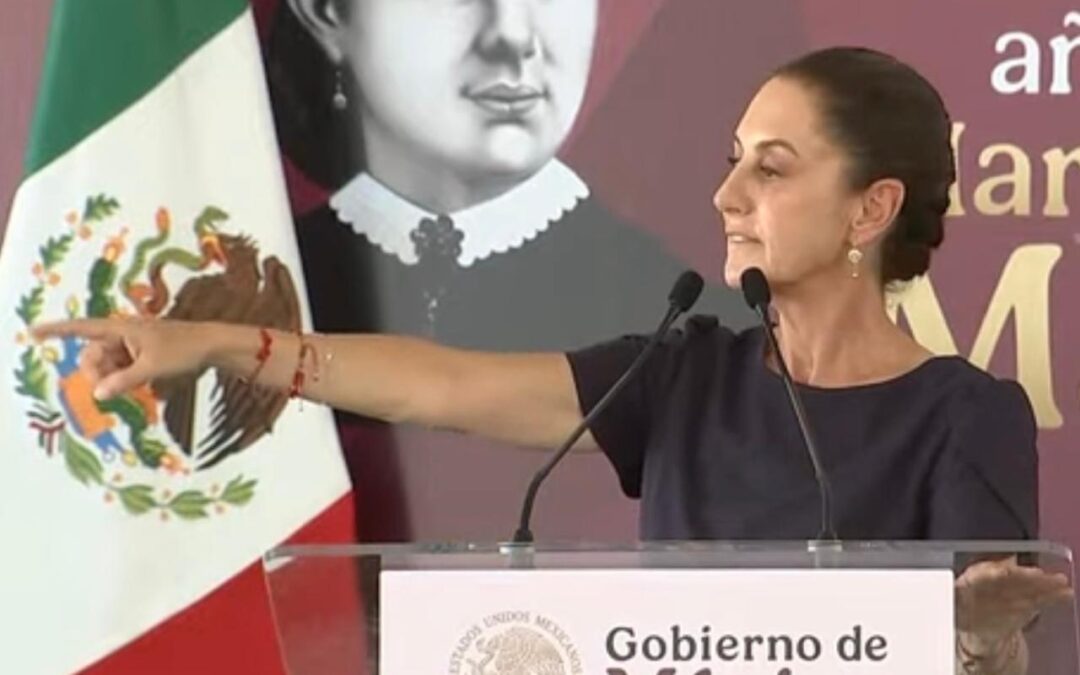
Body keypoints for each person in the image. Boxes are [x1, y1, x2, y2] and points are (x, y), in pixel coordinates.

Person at [35, 47, 1070, 673]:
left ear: (872, 208)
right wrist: (218, 343)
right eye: (732, 163)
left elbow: (989, 644)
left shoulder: (965, 414)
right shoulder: (682, 376)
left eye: (772, 168)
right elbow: (436, 384)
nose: (727, 196)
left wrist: (981, 641)